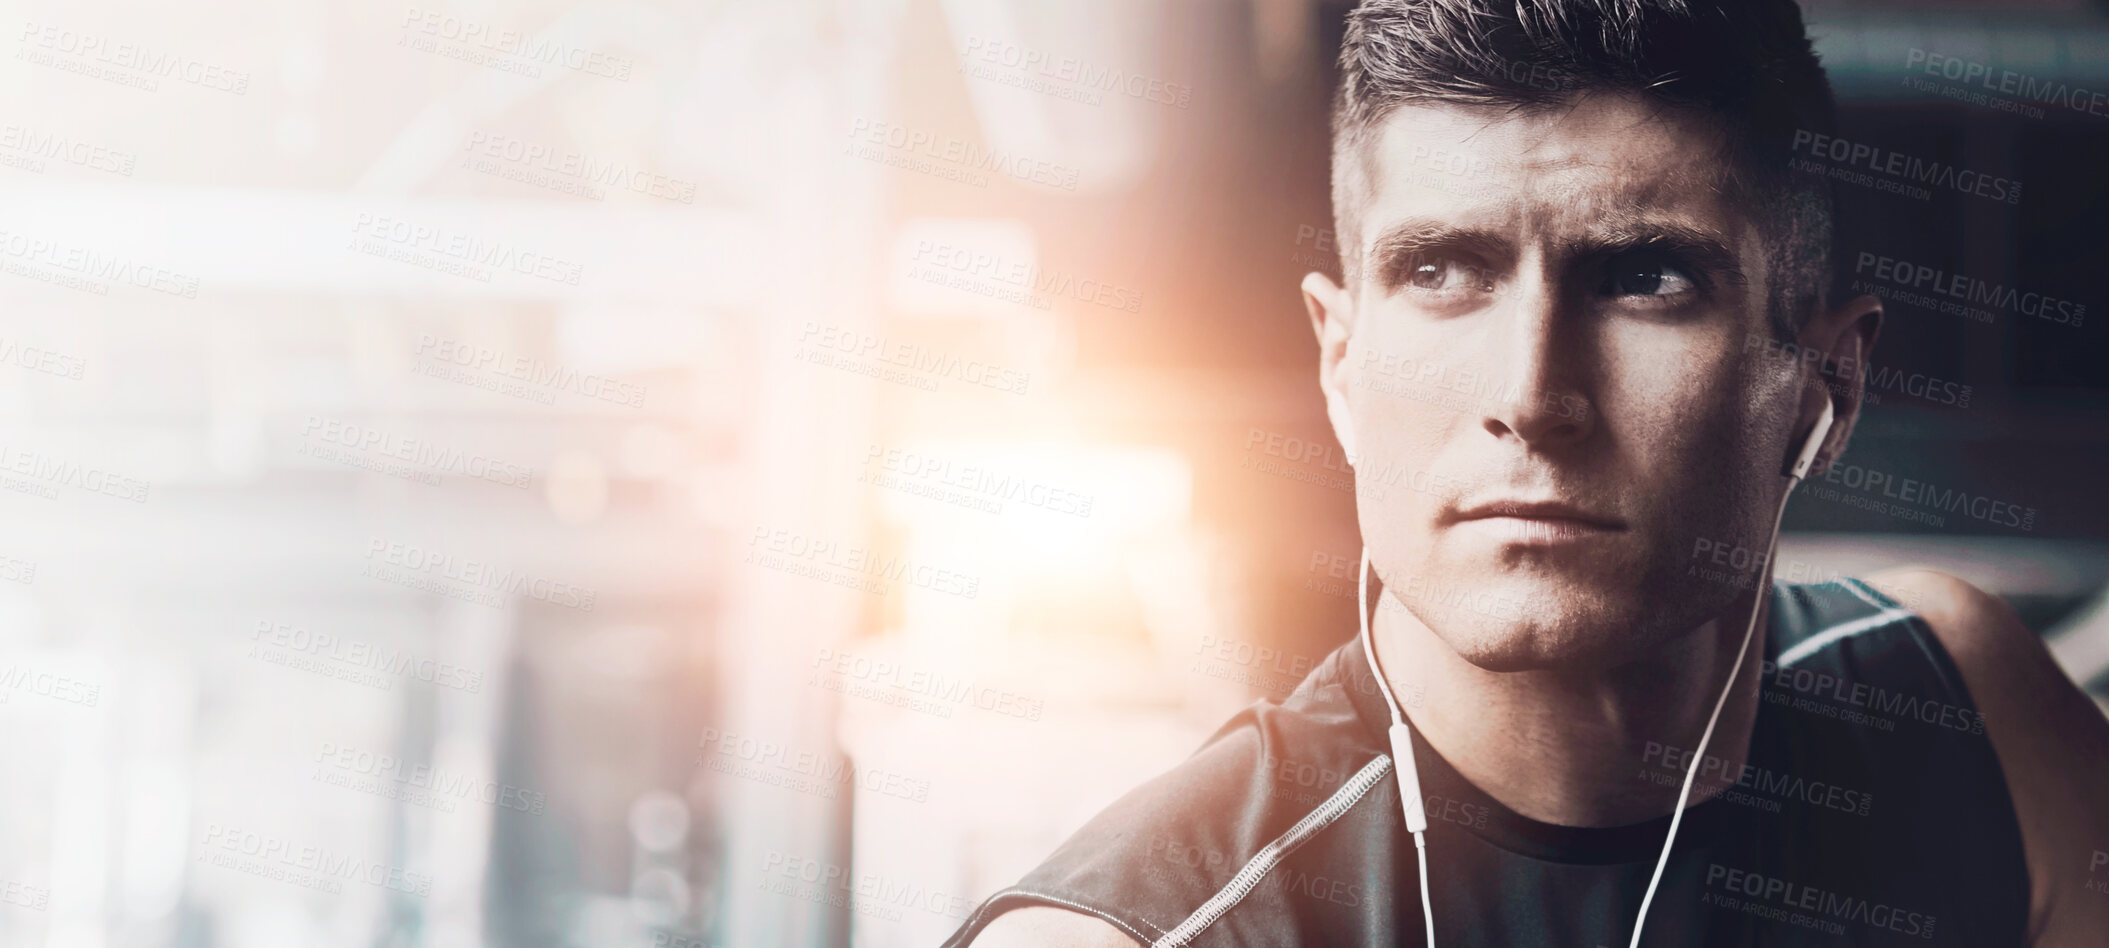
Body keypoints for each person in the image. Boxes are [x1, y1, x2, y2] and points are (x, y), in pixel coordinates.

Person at [944, 0, 2109, 944]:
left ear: (1826, 387)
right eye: (1445, 270)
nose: (1530, 396)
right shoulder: (1135, 936)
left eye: (1646, 279)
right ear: (1340, 368)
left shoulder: (1967, 704)